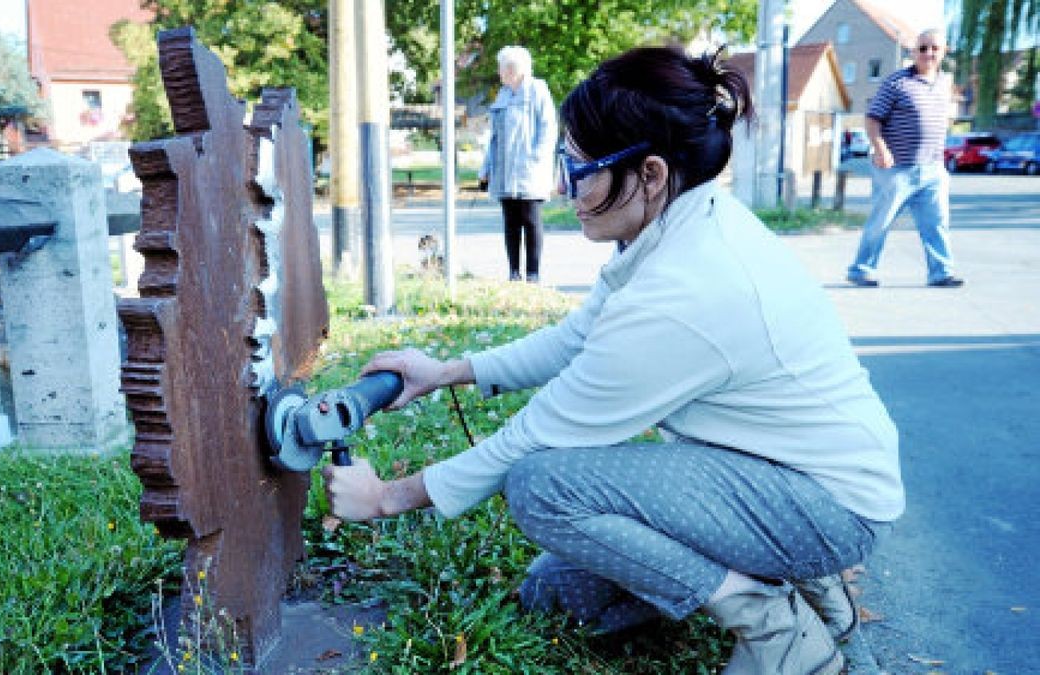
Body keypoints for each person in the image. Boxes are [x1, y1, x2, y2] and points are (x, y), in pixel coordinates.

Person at [325, 45, 902, 675]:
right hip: (769, 470)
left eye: (579, 169)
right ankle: (787, 576)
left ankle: (771, 622)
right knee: (559, 597)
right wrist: (447, 371)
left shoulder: (687, 289)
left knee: (541, 487)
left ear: (650, 174)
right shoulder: (675, 226)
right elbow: (575, 339)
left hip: (823, 505)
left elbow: (535, 438)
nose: (561, 188)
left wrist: (383, 498)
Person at [846, 29, 963, 288]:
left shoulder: (945, 83)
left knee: (937, 223)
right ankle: (862, 270)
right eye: (922, 48)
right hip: (896, 169)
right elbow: (872, 118)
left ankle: (941, 272)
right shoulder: (896, 83)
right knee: (881, 222)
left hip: (932, 168)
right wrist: (880, 149)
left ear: (944, 51)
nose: (928, 53)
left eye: (934, 48)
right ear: (913, 52)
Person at [479, 46, 558, 283]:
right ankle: (514, 272)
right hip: (504, 170)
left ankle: (533, 274)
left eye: (501, 67)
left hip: (529, 171)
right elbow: (493, 137)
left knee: (531, 220)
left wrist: (536, 159)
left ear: (513, 69)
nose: (499, 72)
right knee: (510, 222)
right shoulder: (502, 95)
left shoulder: (537, 90)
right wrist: (486, 168)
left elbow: (548, 129)